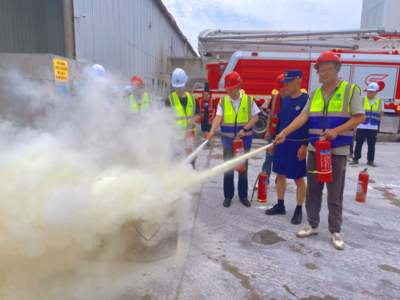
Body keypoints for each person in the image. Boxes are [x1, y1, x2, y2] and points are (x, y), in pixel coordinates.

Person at [274, 51, 365, 250]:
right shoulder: (314, 94)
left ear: (337, 68)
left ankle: (335, 231)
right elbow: (303, 117)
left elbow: (359, 117)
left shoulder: (350, 90)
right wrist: (284, 133)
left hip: (337, 151)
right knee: (313, 191)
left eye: (326, 69)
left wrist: (336, 130)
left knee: (334, 193)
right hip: (316, 150)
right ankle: (312, 224)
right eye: (319, 70)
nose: (322, 73)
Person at [208, 71, 259, 208]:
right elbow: (218, 117)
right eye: (227, 89)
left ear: (239, 86)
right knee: (228, 169)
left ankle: (243, 196)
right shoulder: (223, 101)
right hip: (228, 142)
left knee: (242, 168)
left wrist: (245, 129)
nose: (229, 91)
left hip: (244, 142)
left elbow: (255, 117)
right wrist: (212, 130)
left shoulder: (249, 100)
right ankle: (228, 196)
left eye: (231, 88)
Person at [266, 71, 309, 225]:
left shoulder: (306, 100)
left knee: (298, 179)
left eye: (288, 82)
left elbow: (309, 125)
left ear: (298, 81)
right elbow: (280, 122)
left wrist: (304, 145)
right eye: (284, 83)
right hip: (281, 145)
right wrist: (273, 141)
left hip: (296, 146)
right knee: (280, 175)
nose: (285, 86)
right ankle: (280, 204)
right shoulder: (285, 100)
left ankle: (298, 209)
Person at [165, 68, 202, 168]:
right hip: (176, 139)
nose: (179, 89)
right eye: (177, 87)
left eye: (180, 87)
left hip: (190, 138)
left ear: (185, 83)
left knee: (191, 163)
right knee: (177, 162)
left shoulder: (192, 97)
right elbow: (166, 117)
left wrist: (193, 120)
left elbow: (199, 114)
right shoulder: (169, 99)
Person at [261, 74, 287, 184]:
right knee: (269, 157)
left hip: (286, 135)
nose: (282, 93)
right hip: (273, 133)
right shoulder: (275, 98)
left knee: (282, 158)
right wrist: (267, 131)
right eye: (280, 90)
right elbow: (270, 115)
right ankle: (265, 180)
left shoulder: (293, 99)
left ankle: (279, 180)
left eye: (283, 90)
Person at [350, 82, 384, 167]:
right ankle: (356, 159)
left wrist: (378, 119)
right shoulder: (362, 100)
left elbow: (382, 112)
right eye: (369, 91)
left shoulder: (380, 101)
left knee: (372, 145)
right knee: (359, 143)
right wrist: (355, 125)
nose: (370, 92)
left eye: (372, 91)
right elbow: (356, 112)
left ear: (376, 92)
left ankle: (370, 160)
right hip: (361, 126)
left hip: (373, 127)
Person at [199, 82, 214, 146]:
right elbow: (198, 110)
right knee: (204, 130)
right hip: (203, 118)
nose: (206, 95)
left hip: (209, 118)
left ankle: (207, 141)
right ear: (203, 95)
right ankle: (205, 140)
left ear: (208, 95)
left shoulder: (211, 101)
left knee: (208, 130)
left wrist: (213, 116)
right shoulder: (200, 101)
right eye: (204, 94)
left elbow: (214, 108)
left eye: (207, 94)